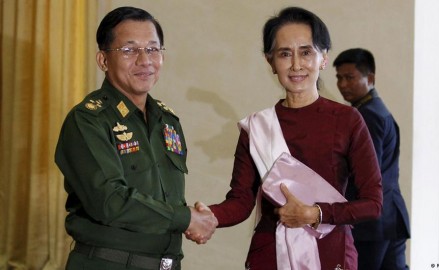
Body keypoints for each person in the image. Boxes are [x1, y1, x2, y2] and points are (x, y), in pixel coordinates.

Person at [188, 7, 382, 270]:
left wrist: (316, 214)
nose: (296, 65)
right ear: (270, 61)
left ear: (323, 57)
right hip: (270, 255)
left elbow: (373, 204)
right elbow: (241, 201)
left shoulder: (347, 120)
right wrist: (210, 216)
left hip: (330, 253)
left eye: (306, 52)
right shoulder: (257, 127)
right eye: (284, 54)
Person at [54, 6, 217, 270]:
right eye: (129, 50)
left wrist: (192, 217)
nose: (145, 60)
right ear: (103, 60)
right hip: (107, 264)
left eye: (153, 49)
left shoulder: (168, 121)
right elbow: (109, 201)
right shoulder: (88, 120)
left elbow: (160, 199)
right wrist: (184, 218)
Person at [333, 48, 411, 270]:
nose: (343, 84)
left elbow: (366, 173)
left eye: (350, 77)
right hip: (389, 216)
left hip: (372, 222)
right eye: (339, 78)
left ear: (370, 78)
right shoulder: (376, 109)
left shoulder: (367, 115)